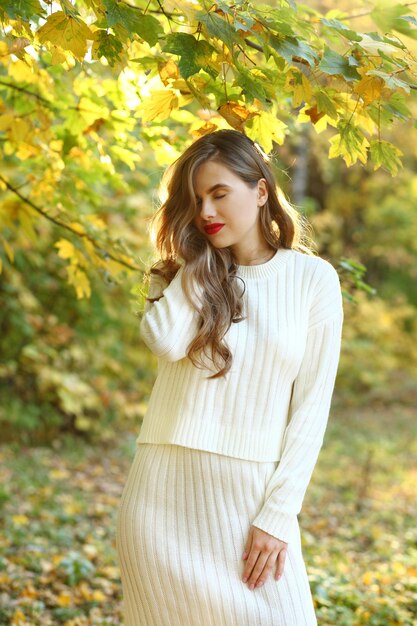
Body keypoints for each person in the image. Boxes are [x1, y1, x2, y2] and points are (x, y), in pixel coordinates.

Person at [115, 129, 344, 626]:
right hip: (161, 496)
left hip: (250, 500)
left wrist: (278, 514)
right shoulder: (183, 274)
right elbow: (165, 341)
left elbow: (311, 408)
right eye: (197, 200)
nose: (207, 212)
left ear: (261, 191)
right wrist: (199, 262)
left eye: (220, 194)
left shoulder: (313, 280)